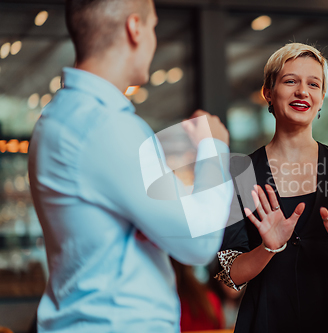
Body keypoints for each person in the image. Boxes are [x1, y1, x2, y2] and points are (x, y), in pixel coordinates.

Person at [28, 0, 233, 332]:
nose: (154, 39)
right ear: (134, 28)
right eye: (153, 27)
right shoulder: (104, 126)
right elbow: (198, 240)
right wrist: (214, 145)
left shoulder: (60, 117)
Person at [215, 43, 328, 333]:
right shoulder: (239, 172)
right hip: (267, 317)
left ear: (322, 97)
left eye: (313, 84)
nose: (303, 91)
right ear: (268, 92)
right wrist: (268, 247)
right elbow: (231, 278)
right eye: (291, 81)